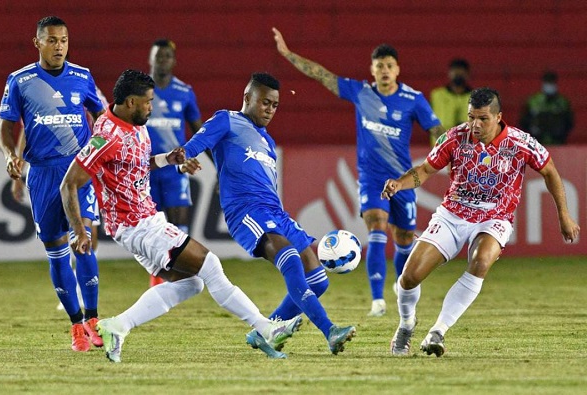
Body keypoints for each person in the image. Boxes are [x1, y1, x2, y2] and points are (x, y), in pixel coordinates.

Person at [60, 69, 303, 363]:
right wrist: (81, 232)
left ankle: (117, 326)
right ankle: (265, 328)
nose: (152, 107)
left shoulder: (135, 123)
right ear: (131, 102)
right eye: (148, 102)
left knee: (193, 283)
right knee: (211, 264)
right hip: (137, 225)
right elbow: (70, 183)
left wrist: (170, 161)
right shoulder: (106, 136)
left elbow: (133, 164)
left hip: (143, 222)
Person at [382, 87, 580, 357]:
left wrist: (563, 214)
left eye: (483, 118)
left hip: (495, 217)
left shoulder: (520, 143)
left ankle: (438, 331)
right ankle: (406, 324)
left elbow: (549, 171)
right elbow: (425, 170)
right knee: (410, 276)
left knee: (481, 261)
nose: (475, 124)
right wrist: (399, 184)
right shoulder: (454, 137)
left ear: (499, 117)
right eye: (471, 117)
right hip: (453, 215)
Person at [180, 72, 357, 355]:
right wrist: (184, 161)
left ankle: (265, 331)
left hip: (275, 211)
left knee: (318, 279)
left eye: (275, 105)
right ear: (247, 98)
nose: (270, 110)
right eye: (264, 102)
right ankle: (330, 330)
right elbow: (193, 147)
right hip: (246, 212)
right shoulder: (227, 120)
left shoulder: (268, 142)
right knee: (288, 259)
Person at [272, 27, 445, 317]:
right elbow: (322, 75)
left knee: (404, 240)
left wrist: (446, 150)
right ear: (372, 70)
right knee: (377, 226)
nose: (385, 71)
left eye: (389, 66)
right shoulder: (361, 92)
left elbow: (437, 130)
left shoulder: (413, 99)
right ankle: (377, 300)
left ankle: (401, 285)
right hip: (371, 178)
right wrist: (288, 55)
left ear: (397, 69)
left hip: (402, 180)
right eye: (379, 66)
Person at [0, 16, 105, 352]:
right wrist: (9, 155)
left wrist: (98, 153)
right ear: (38, 43)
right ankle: (76, 324)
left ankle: (93, 318)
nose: (60, 46)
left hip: (78, 170)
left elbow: (103, 118)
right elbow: (6, 127)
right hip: (43, 174)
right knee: (56, 252)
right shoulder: (20, 81)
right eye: (53, 40)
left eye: (64, 40)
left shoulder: (83, 76)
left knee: (84, 238)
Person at [147, 38, 204, 288]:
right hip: (145, 168)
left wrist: (220, 169)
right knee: (150, 225)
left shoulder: (184, 92)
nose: (163, 60)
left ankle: (178, 275)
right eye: (158, 56)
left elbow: (199, 131)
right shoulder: (140, 92)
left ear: (174, 60)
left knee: (178, 224)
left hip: (174, 170)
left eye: (167, 56)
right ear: (150, 59)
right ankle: (156, 277)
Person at [519, 71, 574, 145]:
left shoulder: (562, 102)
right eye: (547, 82)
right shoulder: (533, 101)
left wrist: (561, 134)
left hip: (557, 142)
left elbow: (569, 122)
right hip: (537, 142)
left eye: (551, 82)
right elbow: (524, 121)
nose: (549, 85)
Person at [430, 58, 473, 132]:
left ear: (467, 74)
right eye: (456, 72)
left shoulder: (476, 97)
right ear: (449, 73)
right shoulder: (437, 95)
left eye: (461, 73)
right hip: (441, 141)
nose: (458, 76)